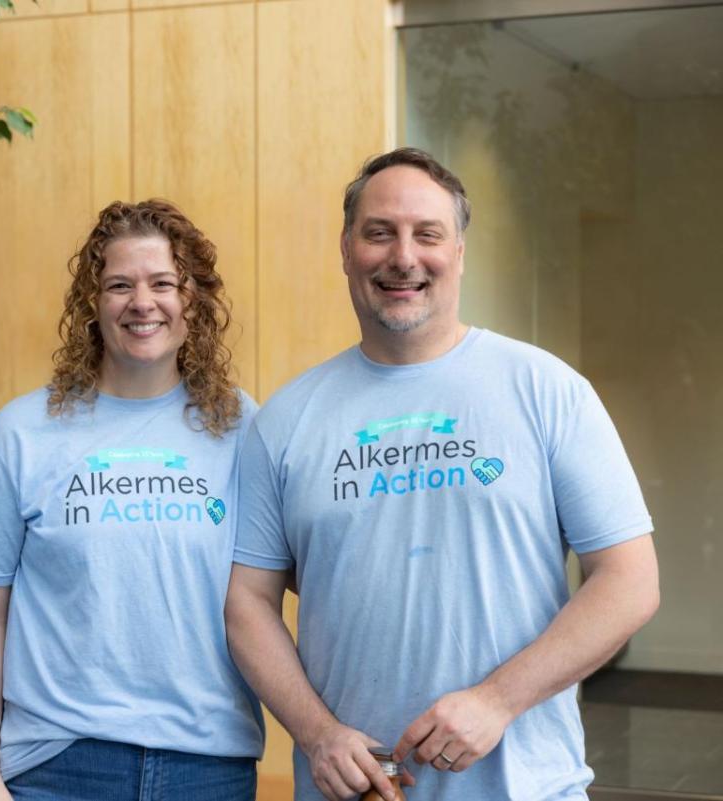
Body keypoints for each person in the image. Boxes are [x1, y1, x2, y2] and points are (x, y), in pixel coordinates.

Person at [224, 148, 660, 801]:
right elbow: (247, 602)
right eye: (379, 232)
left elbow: (630, 580)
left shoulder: (545, 390)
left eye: (427, 233)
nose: (403, 256)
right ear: (346, 249)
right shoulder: (285, 420)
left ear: (458, 250)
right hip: (357, 791)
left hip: (526, 786)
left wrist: (497, 700)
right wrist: (317, 733)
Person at [0, 199, 264, 801]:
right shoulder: (22, 432)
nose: (141, 302)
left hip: (208, 767)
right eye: (119, 284)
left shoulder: (241, 427)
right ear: (91, 305)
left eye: (163, 283)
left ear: (193, 299)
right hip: (56, 764)